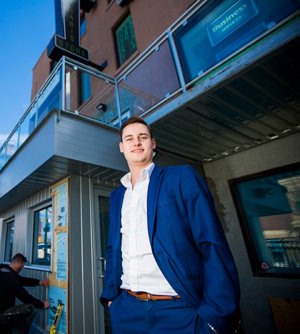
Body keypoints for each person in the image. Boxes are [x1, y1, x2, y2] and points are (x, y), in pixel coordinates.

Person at [100, 116, 240, 334]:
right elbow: (112, 249)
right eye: (129, 139)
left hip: (180, 309)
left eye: (142, 137)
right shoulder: (118, 195)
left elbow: (212, 243)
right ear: (121, 147)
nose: (136, 142)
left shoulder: (181, 177)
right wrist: (111, 298)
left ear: (152, 143)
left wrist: (215, 316)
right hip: (127, 311)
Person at [0, 253, 50, 334]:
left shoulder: (1, 272)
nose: (22, 268)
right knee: (29, 308)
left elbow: (22, 280)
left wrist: (40, 282)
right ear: (19, 263)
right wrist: (42, 304)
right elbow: (25, 297)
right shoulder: (11, 278)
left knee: (14, 312)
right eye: (22, 265)